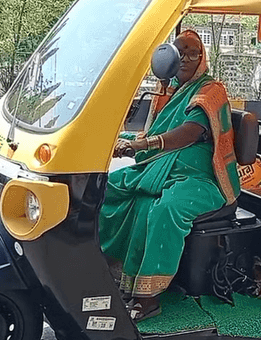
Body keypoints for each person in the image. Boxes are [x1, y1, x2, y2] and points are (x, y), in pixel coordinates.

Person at [99, 30, 241, 322]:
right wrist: (114, 138)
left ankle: (148, 298)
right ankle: (115, 274)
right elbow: (153, 131)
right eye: (181, 53)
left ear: (203, 58)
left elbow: (188, 133)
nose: (187, 59)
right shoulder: (170, 91)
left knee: (165, 209)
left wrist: (140, 145)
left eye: (193, 53)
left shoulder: (211, 91)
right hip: (162, 169)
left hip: (202, 178)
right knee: (111, 187)